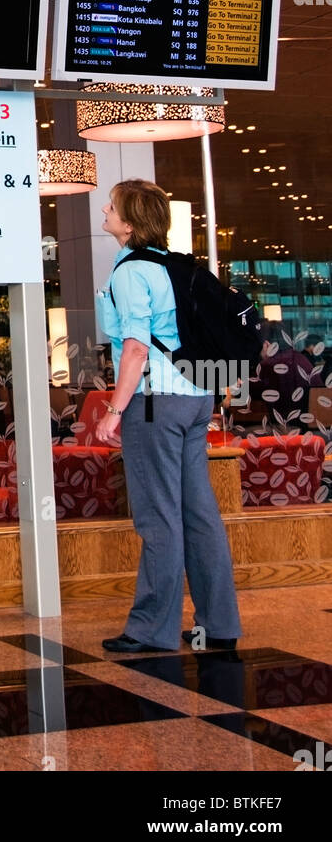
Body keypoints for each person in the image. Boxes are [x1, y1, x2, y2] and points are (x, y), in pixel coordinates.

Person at [94, 179, 242, 654]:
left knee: (158, 518)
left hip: (155, 402)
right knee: (199, 513)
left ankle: (150, 630)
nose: (104, 210)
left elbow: (135, 347)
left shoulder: (131, 272)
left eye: (112, 206)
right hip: (197, 397)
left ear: (129, 223)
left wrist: (113, 411)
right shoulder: (176, 266)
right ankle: (218, 624)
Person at [248, 321, 313, 427]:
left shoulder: (269, 364)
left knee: (233, 436)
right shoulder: (302, 358)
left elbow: (255, 391)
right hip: (311, 427)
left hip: (287, 429)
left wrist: (239, 384)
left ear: (266, 344)